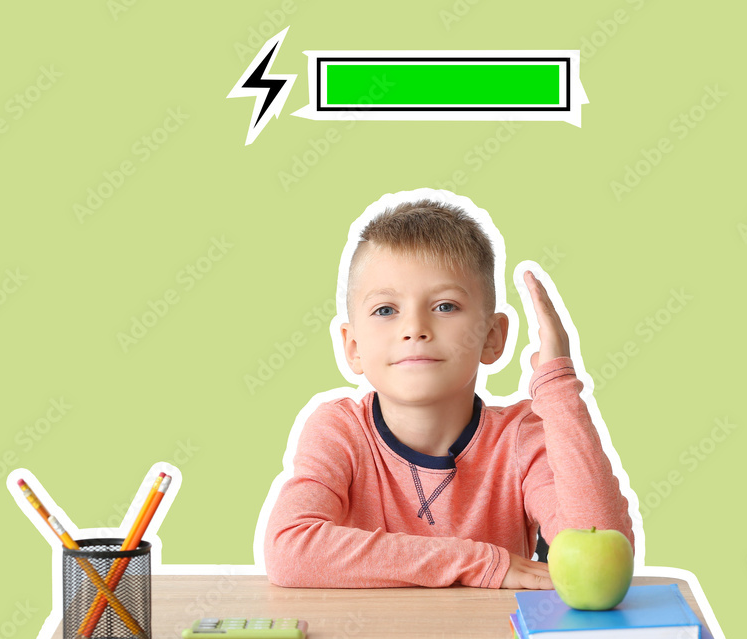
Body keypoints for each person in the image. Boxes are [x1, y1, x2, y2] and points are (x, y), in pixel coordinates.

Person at [262, 193, 634, 589]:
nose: (415, 328)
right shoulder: (339, 430)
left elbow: (604, 562)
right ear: (353, 347)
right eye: (386, 310)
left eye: (444, 306)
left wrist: (557, 386)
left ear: (492, 338)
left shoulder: (522, 438)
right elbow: (290, 549)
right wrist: (480, 562)